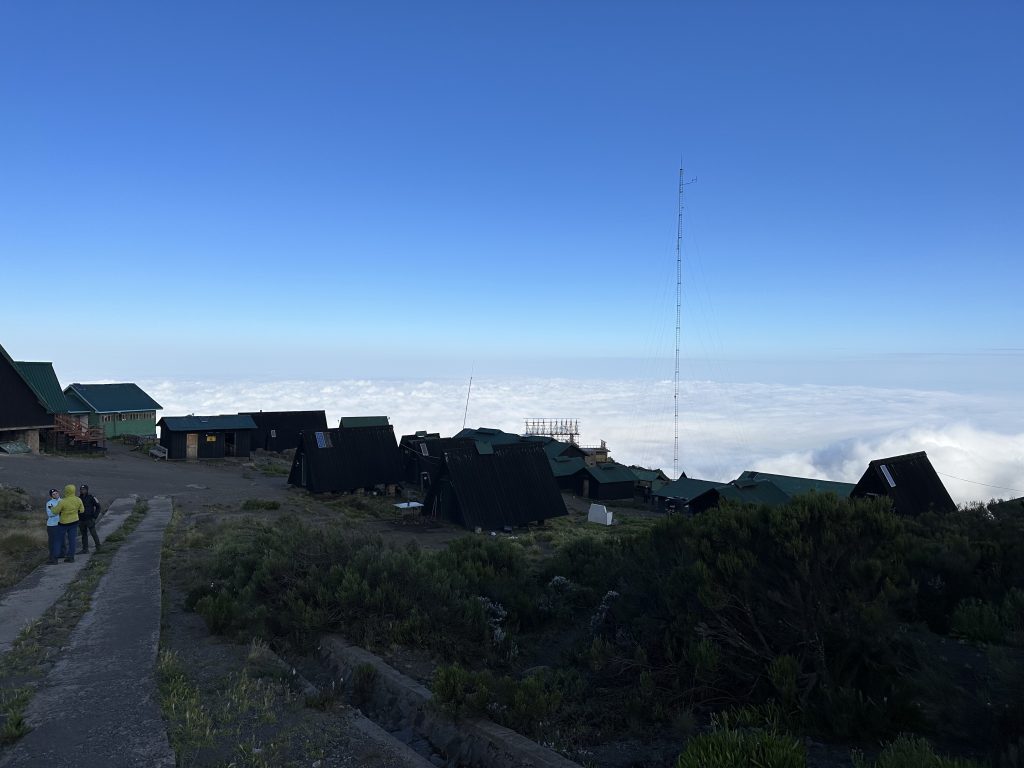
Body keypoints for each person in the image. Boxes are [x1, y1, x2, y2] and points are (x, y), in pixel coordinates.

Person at [51, 484, 84, 563]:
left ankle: (54, 558)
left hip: (63, 523)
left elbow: (55, 512)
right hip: (74, 522)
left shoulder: (63, 501)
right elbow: (82, 510)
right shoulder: (78, 499)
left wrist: (51, 508)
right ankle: (71, 557)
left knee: (58, 540)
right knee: (72, 540)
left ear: (66, 491)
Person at [78, 484, 102, 553]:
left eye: (84, 489)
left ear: (87, 490)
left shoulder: (91, 497)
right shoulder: (78, 498)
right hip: (81, 520)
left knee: (93, 533)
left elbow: (98, 507)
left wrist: (95, 517)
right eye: (81, 489)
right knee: (83, 535)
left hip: (90, 519)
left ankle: (98, 547)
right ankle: (85, 549)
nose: (82, 491)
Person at [45, 488, 62, 564]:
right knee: (52, 542)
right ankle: (52, 558)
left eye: (56, 493)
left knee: (62, 540)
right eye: (53, 494)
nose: (55, 495)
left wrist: (54, 510)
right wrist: (59, 511)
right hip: (52, 525)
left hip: (61, 523)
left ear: (58, 493)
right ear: (51, 496)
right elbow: (50, 514)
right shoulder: (49, 503)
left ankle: (61, 554)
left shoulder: (63, 501)